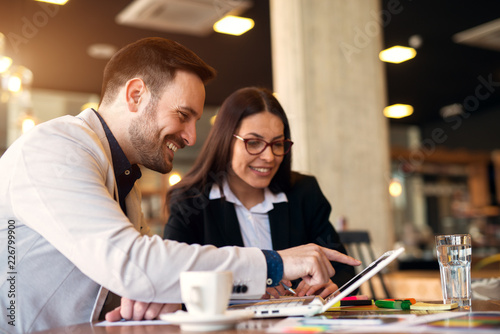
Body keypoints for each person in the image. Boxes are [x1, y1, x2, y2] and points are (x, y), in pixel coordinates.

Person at [0, 38, 360, 333]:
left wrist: (154, 292)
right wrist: (274, 263)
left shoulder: (123, 176)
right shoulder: (57, 148)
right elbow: (132, 264)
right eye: (183, 116)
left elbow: (126, 280)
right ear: (136, 95)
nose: (191, 137)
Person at [164, 87, 356, 299]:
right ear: (226, 140)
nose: (269, 157)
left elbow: (344, 272)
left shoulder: (304, 194)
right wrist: (249, 286)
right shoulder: (190, 201)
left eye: (277, 144)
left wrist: (333, 286)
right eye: (254, 142)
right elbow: (174, 280)